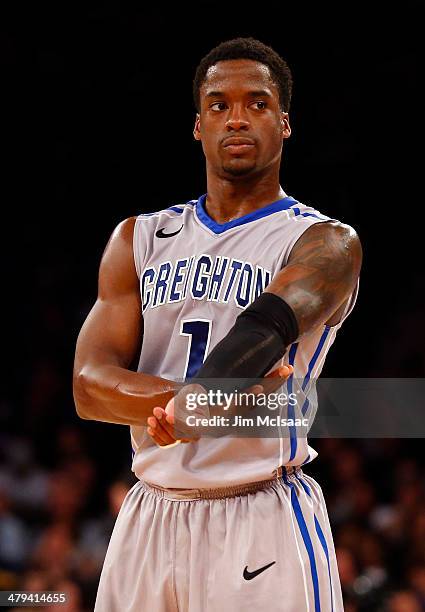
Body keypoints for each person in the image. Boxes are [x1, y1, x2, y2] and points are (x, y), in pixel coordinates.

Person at [73, 37, 362, 611]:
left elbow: (263, 332)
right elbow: (88, 386)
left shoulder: (325, 241)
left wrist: (194, 403)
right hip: (150, 509)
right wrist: (188, 404)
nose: (237, 118)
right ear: (198, 126)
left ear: (285, 124)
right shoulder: (139, 237)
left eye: (257, 104)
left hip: (259, 511)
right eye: (218, 104)